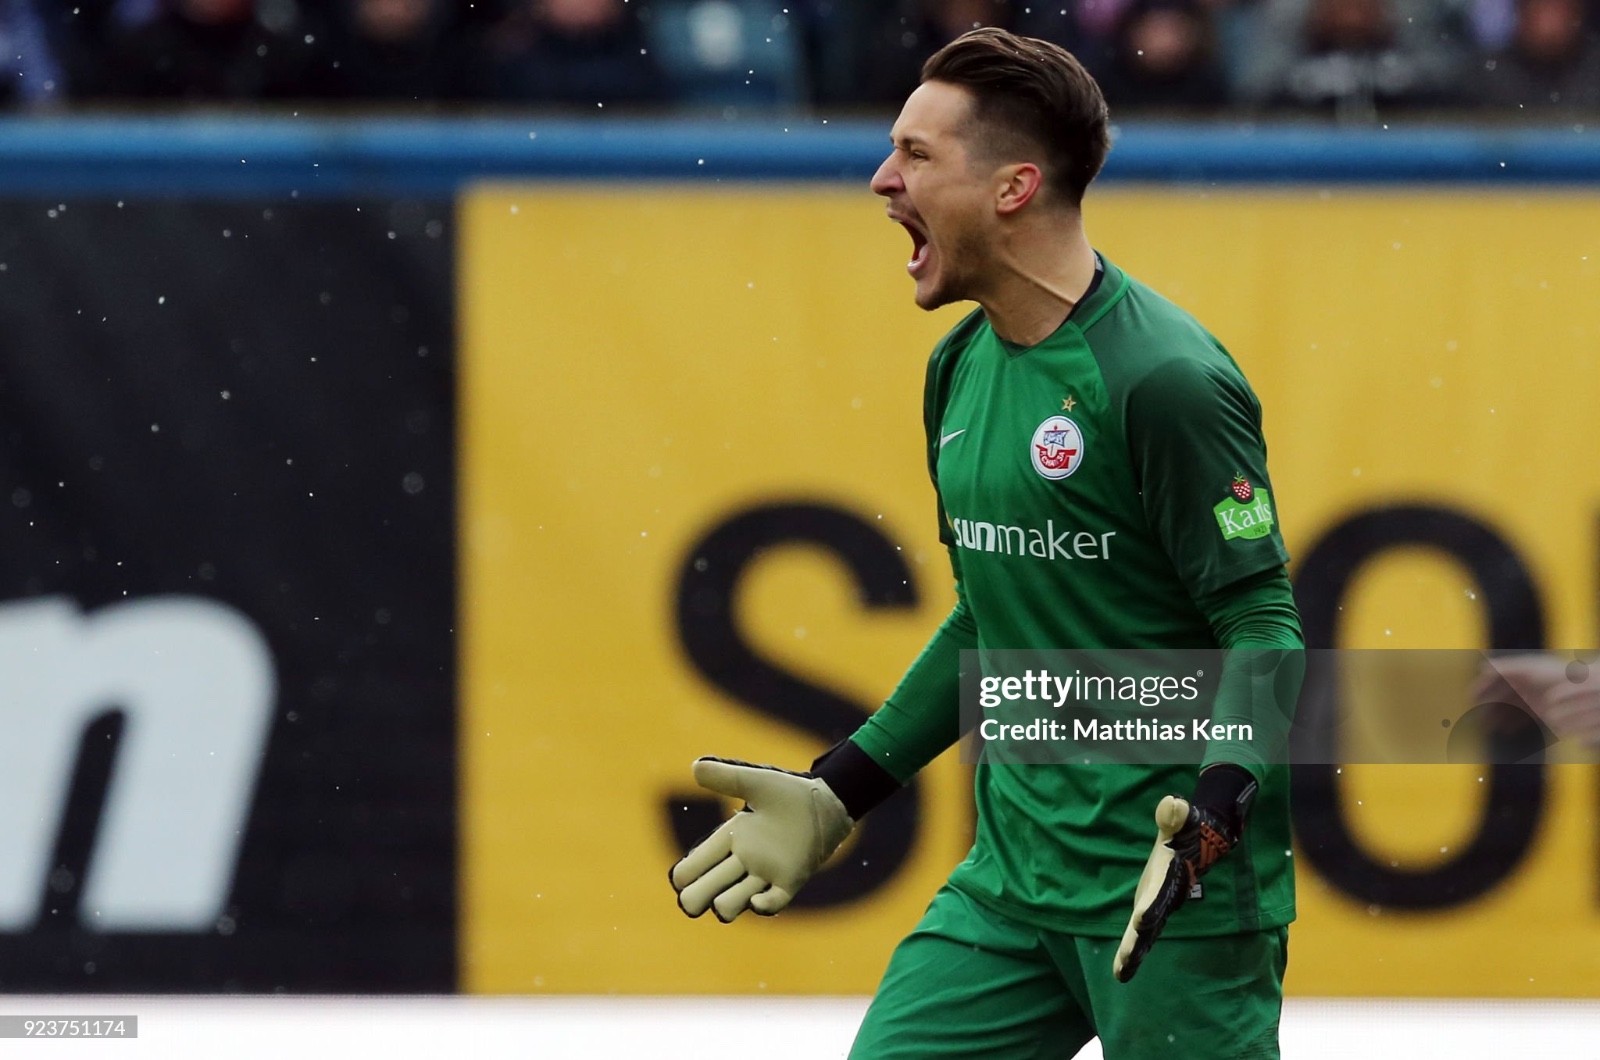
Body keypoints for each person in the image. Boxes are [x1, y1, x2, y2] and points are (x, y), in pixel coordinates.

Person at [669, 27, 1303, 1059]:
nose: (882, 180)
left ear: (1012, 188)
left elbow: (1262, 622)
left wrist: (1217, 813)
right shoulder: (956, 366)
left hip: (1168, 902)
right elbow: (988, 617)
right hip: (1007, 894)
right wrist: (845, 785)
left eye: (916, 156)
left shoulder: (1164, 379)